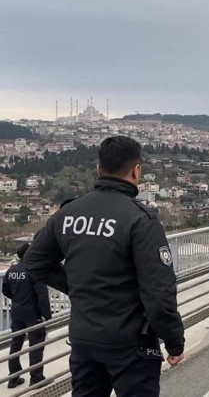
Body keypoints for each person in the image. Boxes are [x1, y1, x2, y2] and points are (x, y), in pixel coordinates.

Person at [25, 135, 185, 396]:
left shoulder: (67, 213)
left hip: (84, 338)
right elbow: (159, 291)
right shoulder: (141, 219)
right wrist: (174, 342)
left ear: (99, 169)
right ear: (137, 170)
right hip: (131, 342)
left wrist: (77, 286)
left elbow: (35, 262)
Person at [2, 243, 51, 389]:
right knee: (36, 345)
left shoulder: (11, 271)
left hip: (16, 312)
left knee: (15, 344)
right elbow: (42, 295)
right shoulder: (33, 271)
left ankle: (13, 378)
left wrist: (18, 299)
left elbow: (5, 290)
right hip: (32, 313)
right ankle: (36, 377)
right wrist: (47, 315)